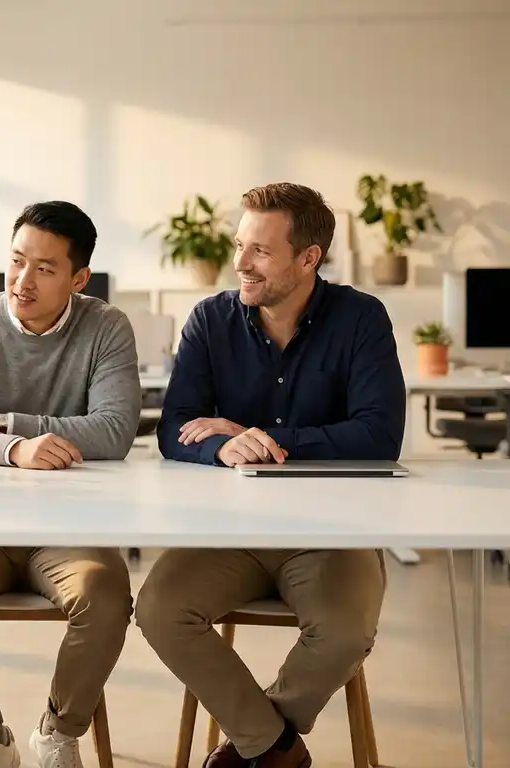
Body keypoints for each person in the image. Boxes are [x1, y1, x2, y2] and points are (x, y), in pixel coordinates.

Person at [135, 183, 406, 768]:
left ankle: (251, 745)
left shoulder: (361, 318)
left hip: (331, 532)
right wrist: (225, 450)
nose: (240, 263)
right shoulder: (210, 320)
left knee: (345, 632)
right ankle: (278, 750)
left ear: (308, 258)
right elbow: (173, 428)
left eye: (259, 250)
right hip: (229, 531)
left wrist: (264, 440)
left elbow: (379, 437)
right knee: (159, 608)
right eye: (239, 245)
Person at [0, 201, 141, 768]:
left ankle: (58, 734)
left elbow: (114, 430)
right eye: (16, 261)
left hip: (68, 527)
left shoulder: (105, 326)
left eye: (44, 268)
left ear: (78, 278)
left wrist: (10, 423)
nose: (22, 281)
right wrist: (16, 451)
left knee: (106, 600)